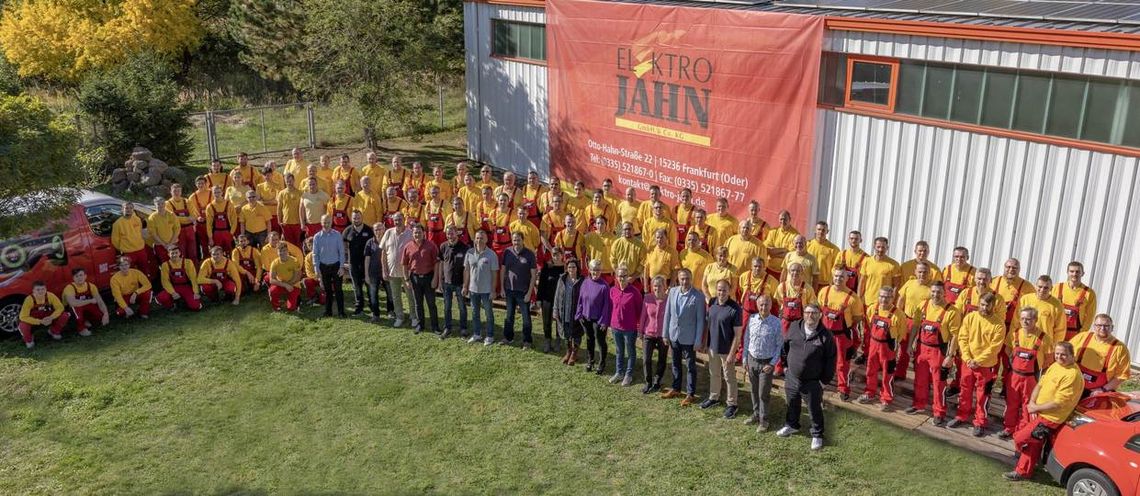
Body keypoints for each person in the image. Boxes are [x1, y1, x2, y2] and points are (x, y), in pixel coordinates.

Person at [1003, 342, 1084, 482]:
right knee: (1033, 443)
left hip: (1050, 418)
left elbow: (1059, 403)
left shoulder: (1072, 375)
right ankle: (1023, 472)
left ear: (1072, 356)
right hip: (1039, 411)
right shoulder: (1055, 365)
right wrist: (1032, 403)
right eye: (1057, 353)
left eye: (1064, 354)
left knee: (1020, 438)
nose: (1059, 357)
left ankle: (1027, 462)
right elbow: (1039, 385)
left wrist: (1036, 408)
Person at [778, 303, 836, 451]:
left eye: (814, 313)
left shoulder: (826, 335)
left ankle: (817, 434)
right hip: (792, 377)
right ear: (803, 314)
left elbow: (831, 361)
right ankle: (791, 425)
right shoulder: (794, 327)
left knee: (814, 408)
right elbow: (785, 347)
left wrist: (823, 382)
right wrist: (785, 367)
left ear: (820, 315)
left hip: (812, 382)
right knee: (792, 402)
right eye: (808, 312)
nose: (811, 315)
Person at [948, 293, 1006, 437]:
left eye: (987, 305)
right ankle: (961, 416)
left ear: (994, 306)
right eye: (982, 304)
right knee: (965, 390)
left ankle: (980, 422)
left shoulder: (999, 324)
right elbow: (963, 338)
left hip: (986, 366)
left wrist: (978, 361)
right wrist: (968, 359)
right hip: (968, 363)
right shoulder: (970, 317)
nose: (984, 307)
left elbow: (994, 348)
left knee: (983, 395)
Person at [906, 282, 963, 424]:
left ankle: (939, 412)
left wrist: (950, 356)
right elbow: (916, 326)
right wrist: (910, 344)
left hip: (939, 351)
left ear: (945, 293)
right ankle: (919, 404)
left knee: (939, 383)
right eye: (933, 291)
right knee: (920, 379)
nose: (935, 295)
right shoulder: (923, 306)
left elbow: (955, 336)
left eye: (938, 292)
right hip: (921, 348)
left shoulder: (952, 312)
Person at [999, 307, 1054, 440]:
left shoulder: (1044, 338)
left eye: (1028, 319)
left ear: (1035, 320)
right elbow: (1007, 350)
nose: (1025, 321)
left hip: (1031, 378)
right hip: (1014, 376)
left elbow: (1049, 359)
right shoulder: (1014, 334)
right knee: (1011, 403)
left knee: (1027, 406)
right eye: (1023, 318)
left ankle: (1023, 431)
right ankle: (1009, 427)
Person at [660, 268, 706, 406]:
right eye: (682, 278)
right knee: (675, 364)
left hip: (689, 338)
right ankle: (676, 388)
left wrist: (698, 340)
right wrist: (665, 333)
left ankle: (690, 393)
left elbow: (700, 320)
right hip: (674, 335)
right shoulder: (673, 292)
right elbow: (667, 314)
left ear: (691, 279)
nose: (684, 281)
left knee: (690, 366)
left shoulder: (698, 296)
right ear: (678, 279)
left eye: (687, 278)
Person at [817, 267, 863, 401]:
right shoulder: (824, 291)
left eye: (842, 277)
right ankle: (820, 382)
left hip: (841, 336)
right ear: (833, 277)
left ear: (847, 278)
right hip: (824, 333)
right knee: (821, 359)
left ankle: (843, 388)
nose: (838, 279)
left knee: (842, 363)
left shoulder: (853, 298)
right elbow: (819, 310)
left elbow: (858, 318)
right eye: (836, 276)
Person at [858, 287, 905, 410]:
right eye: (882, 296)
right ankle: (870, 392)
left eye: (888, 297)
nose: (884, 299)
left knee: (887, 373)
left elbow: (901, 334)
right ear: (878, 297)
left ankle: (886, 398)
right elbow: (868, 322)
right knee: (870, 370)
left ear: (892, 298)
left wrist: (895, 348)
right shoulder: (873, 309)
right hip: (873, 344)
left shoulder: (898, 314)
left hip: (888, 347)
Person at [702, 279, 744, 418]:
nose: (721, 292)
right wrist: (705, 343)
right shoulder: (712, 302)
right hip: (713, 347)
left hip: (727, 350)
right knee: (714, 374)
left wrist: (732, 353)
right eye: (719, 289)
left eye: (724, 290)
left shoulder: (735, 308)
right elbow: (709, 325)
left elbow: (738, 335)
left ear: (729, 290)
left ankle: (732, 404)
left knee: (729, 378)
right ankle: (714, 397)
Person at [857, 237, 900, 362]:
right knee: (867, 329)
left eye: (883, 247)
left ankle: (882, 356)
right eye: (878, 247)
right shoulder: (867, 261)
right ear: (874, 247)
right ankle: (866, 354)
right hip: (869, 302)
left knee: (883, 331)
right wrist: (860, 298)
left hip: (885, 305)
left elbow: (896, 285)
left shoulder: (893, 265)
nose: (880, 249)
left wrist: (893, 302)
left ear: (887, 248)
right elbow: (862, 281)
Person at [745, 294, 782, 432]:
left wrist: (772, 364)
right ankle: (756, 414)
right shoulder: (752, 319)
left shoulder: (776, 322)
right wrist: (744, 358)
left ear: (771, 306)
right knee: (754, 390)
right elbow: (746, 339)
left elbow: (779, 346)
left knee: (763, 393)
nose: (763, 307)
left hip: (766, 363)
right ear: (757, 305)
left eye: (766, 304)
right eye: (761, 304)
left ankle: (764, 420)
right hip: (752, 359)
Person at [1069, 313, 1131, 396]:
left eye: (1106, 326)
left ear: (1112, 328)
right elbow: (1065, 356)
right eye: (1099, 325)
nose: (1102, 328)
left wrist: (1102, 389)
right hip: (1073, 384)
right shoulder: (1082, 337)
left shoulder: (1120, 348)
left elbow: (1121, 375)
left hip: (1099, 391)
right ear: (1094, 327)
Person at [607, 263, 642, 386]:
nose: (621, 278)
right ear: (616, 277)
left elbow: (639, 310)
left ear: (628, 277)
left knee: (630, 351)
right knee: (619, 350)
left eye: (624, 276)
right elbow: (611, 307)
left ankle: (628, 374)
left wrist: (638, 326)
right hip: (616, 327)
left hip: (630, 328)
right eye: (619, 276)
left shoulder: (634, 292)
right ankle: (619, 372)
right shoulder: (612, 290)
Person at [402, 224, 440, 335]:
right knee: (418, 304)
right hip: (415, 278)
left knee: (431, 304)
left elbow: (437, 263)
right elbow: (404, 264)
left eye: (419, 232)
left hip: (428, 277)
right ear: (412, 234)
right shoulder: (408, 246)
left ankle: (435, 326)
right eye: (415, 233)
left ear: (424, 233)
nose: (417, 234)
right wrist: (406, 279)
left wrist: (435, 279)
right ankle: (420, 325)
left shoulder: (431, 245)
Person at [576, 259, 612, 374]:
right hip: (586, 317)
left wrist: (604, 321)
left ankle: (602, 363)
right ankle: (590, 361)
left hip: (599, 320)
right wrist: (579, 313)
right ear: (589, 270)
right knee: (589, 339)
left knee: (600, 341)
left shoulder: (604, 286)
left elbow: (607, 306)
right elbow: (580, 299)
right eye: (593, 270)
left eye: (598, 270)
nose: (595, 272)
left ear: (601, 271)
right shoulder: (585, 282)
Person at [464, 230, 499, 346]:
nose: (479, 240)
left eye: (481, 238)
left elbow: (495, 274)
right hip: (473, 290)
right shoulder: (469, 253)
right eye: (477, 238)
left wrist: (493, 290)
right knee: (475, 313)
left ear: (486, 240)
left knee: (488, 314)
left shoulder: (491, 255)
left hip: (486, 290)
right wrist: (465, 286)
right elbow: (467, 271)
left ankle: (489, 336)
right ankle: (477, 334)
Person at [437, 225, 470, 337]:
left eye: (451, 233)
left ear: (457, 233)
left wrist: (466, 285)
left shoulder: (465, 248)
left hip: (460, 283)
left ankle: (463, 328)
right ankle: (447, 328)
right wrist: (439, 281)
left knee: (462, 306)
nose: (449, 235)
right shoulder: (443, 246)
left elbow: (467, 268)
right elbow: (441, 264)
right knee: (447, 307)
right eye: (448, 233)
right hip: (446, 283)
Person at [311, 215, 346, 318]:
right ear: (321, 223)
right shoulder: (317, 237)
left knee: (338, 290)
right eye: (324, 222)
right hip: (324, 267)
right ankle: (328, 311)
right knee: (327, 291)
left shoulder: (337, 235)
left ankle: (341, 312)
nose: (326, 224)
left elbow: (341, 252)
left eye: (328, 222)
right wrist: (316, 269)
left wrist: (341, 267)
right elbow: (315, 254)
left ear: (331, 223)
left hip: (336, 266)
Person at [343, 210, 376, 316]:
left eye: (358, 217)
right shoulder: (347, 230)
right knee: (356, 287)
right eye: (354, 218)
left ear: (362, 218)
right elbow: (343, 246)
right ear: (351, 218)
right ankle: (359, 307)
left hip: (367, 264)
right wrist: (346, 261)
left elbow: (374, 246)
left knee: (369, 286)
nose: (356, 220)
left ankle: (373, 307)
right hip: (353, 264)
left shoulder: (369, 230)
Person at [18, 281, 70, 348]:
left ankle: (54, 331)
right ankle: (29, 339)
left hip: (48, 317)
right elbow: (23, 317)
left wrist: (51, 317)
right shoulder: (29, 299)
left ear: (46, 289)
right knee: (23, 325)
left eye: (43, 289)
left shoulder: (51, 296)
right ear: (33, 290)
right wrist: (39, 321)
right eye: (38, 290)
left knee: (65, 315)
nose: (41, 291)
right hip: (34, 320)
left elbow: (60, 308)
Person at [1054, 261, 1097, 341]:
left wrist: (1082, 334)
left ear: (1082, 273)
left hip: (1075, 334)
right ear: (1067, 272)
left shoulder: (1089, 293)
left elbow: (1090, 316)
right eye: (1072, 271)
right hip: (1056, 331)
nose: (1074, 274)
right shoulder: (1057, 288)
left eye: (1077, 272)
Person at [639, 275, 668, 393]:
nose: (657, 288)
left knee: (662, 359)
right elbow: (643, 316)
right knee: (646, 359)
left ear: (664, 286)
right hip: (649, 333)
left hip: (663, 334)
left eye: (659, 286)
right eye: (655, 286)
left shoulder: (668, 299)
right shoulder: (647, 298)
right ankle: (648, 382)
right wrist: (640, 331)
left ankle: (657, 380)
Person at [554, 258, 585, 365]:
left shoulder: (582, 281)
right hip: (564, 310)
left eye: (573, 267)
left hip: (576, 312)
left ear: (577, 268)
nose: (571, 269)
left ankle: (574, 353)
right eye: (569, 267)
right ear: (566, 268)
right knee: (566, 332)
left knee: (576, 333)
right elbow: (557, 296)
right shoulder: (562, 279)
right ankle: (568, 352)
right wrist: (555, 310)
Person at [1019, 275, 1067, 344]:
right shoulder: (1025, 299)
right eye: (1040, 287)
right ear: (1035, 286)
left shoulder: (1057, 305)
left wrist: (1055, 345)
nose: (1042, 290)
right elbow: (1016, 321)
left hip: (1044, 344)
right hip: (1024, 341)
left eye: (1046, 288)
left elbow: (1060, 329)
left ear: (1051, 288)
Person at [61, 268, 109, 333]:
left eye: (81, 275)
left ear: (85, 276)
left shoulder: (91, 286)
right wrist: (90, 301)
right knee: (77, 311)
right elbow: (72, 303)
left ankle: (86, 320)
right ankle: (81, 329)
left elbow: (100, 301)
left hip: (85, 306)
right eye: (76, 276)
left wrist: (106, 314)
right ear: (73, 278)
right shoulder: (69, 288)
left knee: (100, 315)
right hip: (71, 309)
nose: (79, 278)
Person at [155, 246, 202, 311]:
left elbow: (193, 279)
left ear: (180, 253)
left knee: (195, 306)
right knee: (160, 298)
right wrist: (173, 293)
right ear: (168, 254)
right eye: (172, 253)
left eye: (176, 253)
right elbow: (165, 281)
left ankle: (185, 303)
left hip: (186, 287)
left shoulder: (188, 262)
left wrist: (196, 292)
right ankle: (172, 305)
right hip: (173, 287)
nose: (174, 255)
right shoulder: (165, 265)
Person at [536, 248, 565, 352]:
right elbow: (541, 285)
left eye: (558, 254)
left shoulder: (565, 268)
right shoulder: (547, 268)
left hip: (561, 301)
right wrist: (539, 299)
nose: (556, 256)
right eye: (554, 254)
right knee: (546, 321)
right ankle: (547, 341)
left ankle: (558, 341)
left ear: (562, 255)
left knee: (559, 321)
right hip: (547, 299)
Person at [112, 201, 151, 277]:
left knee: (145, 271)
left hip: (141, 250)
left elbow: (140, 233)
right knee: (130, 273)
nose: (129, 210)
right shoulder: (117, 224)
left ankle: (146, 288)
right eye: (126, 208)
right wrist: (123, 249)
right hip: (128, 253)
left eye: (131, 208)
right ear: (122, 209)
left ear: (133, 209)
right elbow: (115, 241)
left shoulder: (137, 219)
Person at [166, 183, 199, 263]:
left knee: (193, 252)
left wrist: (184, 219)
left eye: (178, 191)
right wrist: (188, 218)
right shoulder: (168, 204)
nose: (177, 193)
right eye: (174, 191)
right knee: (181, 251)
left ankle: (194, 270)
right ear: (171, 192)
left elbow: (194, 215)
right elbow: (173, 218)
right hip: (177, 231)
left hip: (190, 230)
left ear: (181, 192)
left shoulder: (187, 201)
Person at [608, 221, 644, 290]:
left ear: (633, 230)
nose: (627, 231)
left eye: (629, 229)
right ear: (622, 231)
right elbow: (613, 260)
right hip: (620, 278)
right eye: (625, 229)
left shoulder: (640, 245)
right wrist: (618, 274)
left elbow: (643, 262)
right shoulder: (616, 243)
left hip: (634, 279)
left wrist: (633, 276)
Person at [763, 210, 798, 279]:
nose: (783, 221)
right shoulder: (773, 232)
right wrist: (784, 250)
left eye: (785, 219)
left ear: (790, 220)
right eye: (781, 219)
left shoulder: (795, 235)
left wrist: (773, 253)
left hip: (785, 271)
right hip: (769, 268)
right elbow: (767, 249)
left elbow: (790, 255)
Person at [268, 243, 304, 312]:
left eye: (284, 250)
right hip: (282, 284)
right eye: (280, 251)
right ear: (277, 252)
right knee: (272, 290)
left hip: (294, 284)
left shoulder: (294, 261)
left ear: (287, 251)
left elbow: (298, 276)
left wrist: (289, 284)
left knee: (291, 308)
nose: (282, 253)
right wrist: (285, 285)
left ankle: (291, 301)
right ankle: (276, 307)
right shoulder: (274, 263)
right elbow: (271, 280)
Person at [806, 221, 840, 290]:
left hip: (824, 284)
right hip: (808, 282)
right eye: (819, 229)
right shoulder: (807, 245)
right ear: (815, 230)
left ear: (827, 231)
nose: (821, 232)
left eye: (823, 230)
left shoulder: (833, 249)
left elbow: (836, 268)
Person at [205, 186, 238, 253]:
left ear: (222, 192)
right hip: (216, 234)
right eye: (215, 192)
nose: (217, 194)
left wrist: (231, 233)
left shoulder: (229, 204)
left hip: (228, 232)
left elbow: (234, 220)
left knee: (231, 252)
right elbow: (208, 224)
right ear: (212, 193)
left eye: (218, 192)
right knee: (217, 252)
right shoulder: (210, 206)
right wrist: (210, 238)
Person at [148, 196, 180, 265]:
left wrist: (171, 243)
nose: (160, 205)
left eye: (162, 203)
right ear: (155, 205)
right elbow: (153, 233)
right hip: (160, 245)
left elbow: (177, 229)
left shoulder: (171, 214)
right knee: (164, 263)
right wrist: (164, 244)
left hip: (173, 243)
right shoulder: (152, 218)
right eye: (158, 204)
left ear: (165, 204)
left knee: (175, 261)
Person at [583, 217, 616, 284]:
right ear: (595, 224)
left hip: (607, 271)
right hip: (594, 270)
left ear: (606, 225)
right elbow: (587, 255)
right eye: (598, 223)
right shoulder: (589, 237)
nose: (600, 225)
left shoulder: (612, 238)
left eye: (602, 223)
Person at [276, 173, 305, 245]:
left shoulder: (300, 193)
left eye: (291, 181)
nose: (289, 183)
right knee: (288, 243)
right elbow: (279, 208)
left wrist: (303, 221)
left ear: (294, 180)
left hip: (297, 222)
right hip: (286, 223)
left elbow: (303, 208)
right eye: (287, 181)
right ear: (285, 182)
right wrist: (279, 220)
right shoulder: (282, 193)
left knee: (298, 242)